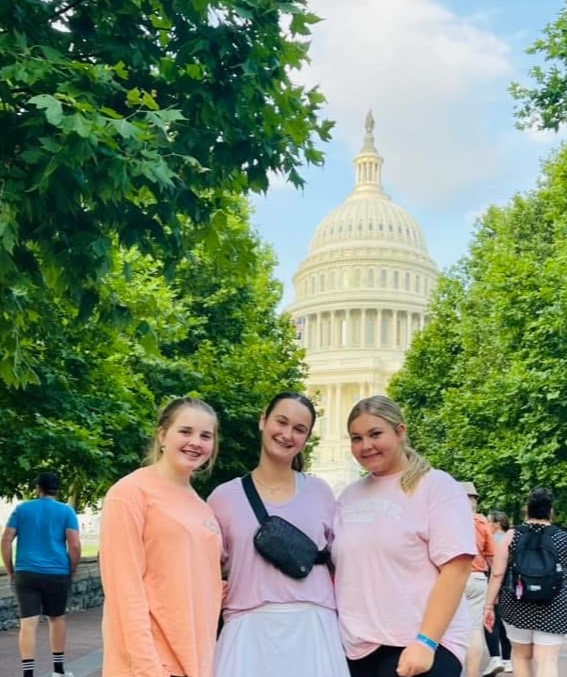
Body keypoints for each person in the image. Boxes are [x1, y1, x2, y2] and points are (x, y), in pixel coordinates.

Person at [332, 395, 476, 677]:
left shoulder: (437, 487)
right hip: (357, 648)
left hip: (418, 644)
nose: (366, 446)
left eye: (375, 434)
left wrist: (426, 641)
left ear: (400, 432)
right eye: (356, 438)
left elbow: (456, 569)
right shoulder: (348, 496)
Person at [208, 392, 350, 677]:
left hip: (313, 629)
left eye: (299, 429)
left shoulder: (320, 492)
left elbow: (342, 560)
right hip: (248, 631)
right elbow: (206, 568)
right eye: (281, 422)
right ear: (263, 420)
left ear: (306, 438)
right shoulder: (223, 498)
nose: (287, 434)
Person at [99, 397, 223, 677]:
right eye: (185, 431)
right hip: (151, 664)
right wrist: (148, 668)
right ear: (163, 434)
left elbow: (197, 581)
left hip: (196, 660)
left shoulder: (202, 506)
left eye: (206, 436)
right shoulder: (130, 493)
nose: (196, 442)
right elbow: (124, 589)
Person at [0, 471, 81, 677]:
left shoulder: (22, 509)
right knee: (57, 619)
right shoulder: (66, 511)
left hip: (26, 573)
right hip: (57, 573)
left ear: (38, 489)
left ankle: (28, 674)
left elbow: (6, 540)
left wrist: (11, 570)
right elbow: (74, 545)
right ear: (57, 489)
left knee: (28, 623)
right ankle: (59, 671)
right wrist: (71, 571)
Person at [484, 487, 567, 677]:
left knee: (521, 657)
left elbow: (497, 574)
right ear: (551, 511)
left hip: (516, 604)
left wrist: (488, 606)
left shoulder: (511, 536)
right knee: (547, 661)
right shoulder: (563, 538)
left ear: (526, 509)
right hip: (553, 606)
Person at [460, 481, 495, 677]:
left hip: (450, 579)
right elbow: (492, 558)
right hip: (477, 577)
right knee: (474, 630)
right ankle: (472, 674)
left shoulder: (445, 520)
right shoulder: (482, 523)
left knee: (447, 629)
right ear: (474, 500)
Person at [484, 511, 512, 674]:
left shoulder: (492, 540)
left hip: (493, 583)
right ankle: (507, 659)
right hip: (510, 586)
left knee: (490, 621)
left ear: (496, 524)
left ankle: (495, 656)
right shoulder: (511, 538)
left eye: (489, 522)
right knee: (504, 623)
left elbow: (493, 568)